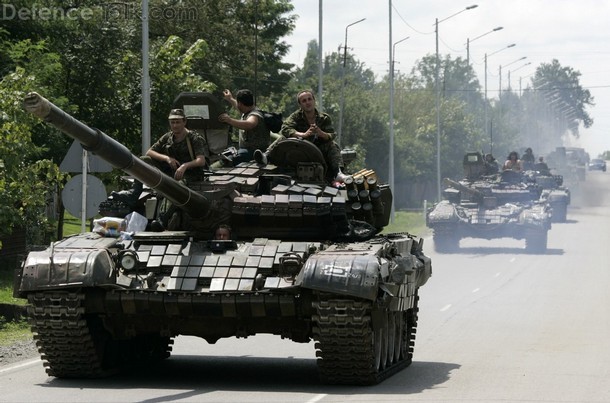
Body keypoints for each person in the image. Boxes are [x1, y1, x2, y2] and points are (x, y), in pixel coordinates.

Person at [111, 108, 207, 206]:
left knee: (176, 190)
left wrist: (185, 166)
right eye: (172, 122)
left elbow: (201, 161)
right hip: (172, 171)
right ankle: (134, 194)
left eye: (178, 122)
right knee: (144, 160)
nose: (175, 125)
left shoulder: (194, 138)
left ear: (184, 122)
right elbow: (149, 152)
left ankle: (163, 217)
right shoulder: (168, 137)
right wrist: (167, 158)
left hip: (190, 173)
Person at [253, 90, 348, 183]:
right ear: (300, 105)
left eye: (309, 99)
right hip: (300, 146)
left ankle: (338, 173)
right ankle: (266, 156)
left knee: (332, 144)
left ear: (314, 101)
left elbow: (331, 135)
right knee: (283, 138)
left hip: (319, 149)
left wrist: (320, 133)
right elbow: (285, 128)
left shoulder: (324, 118)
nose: (307, 102)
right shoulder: (296, 116)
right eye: (304, 101)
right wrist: (303, 134)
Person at [213, 89, 270, 168]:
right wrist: (230, 99)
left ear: (241, 103)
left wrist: (229, 120)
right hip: (247, 150)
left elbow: (249, 124)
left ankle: (212, 170)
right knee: (227, 154)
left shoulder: (255, 115)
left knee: (226, 160)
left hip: (254, 152)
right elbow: (239, 106)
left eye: (238, 103)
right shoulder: (248, 110)